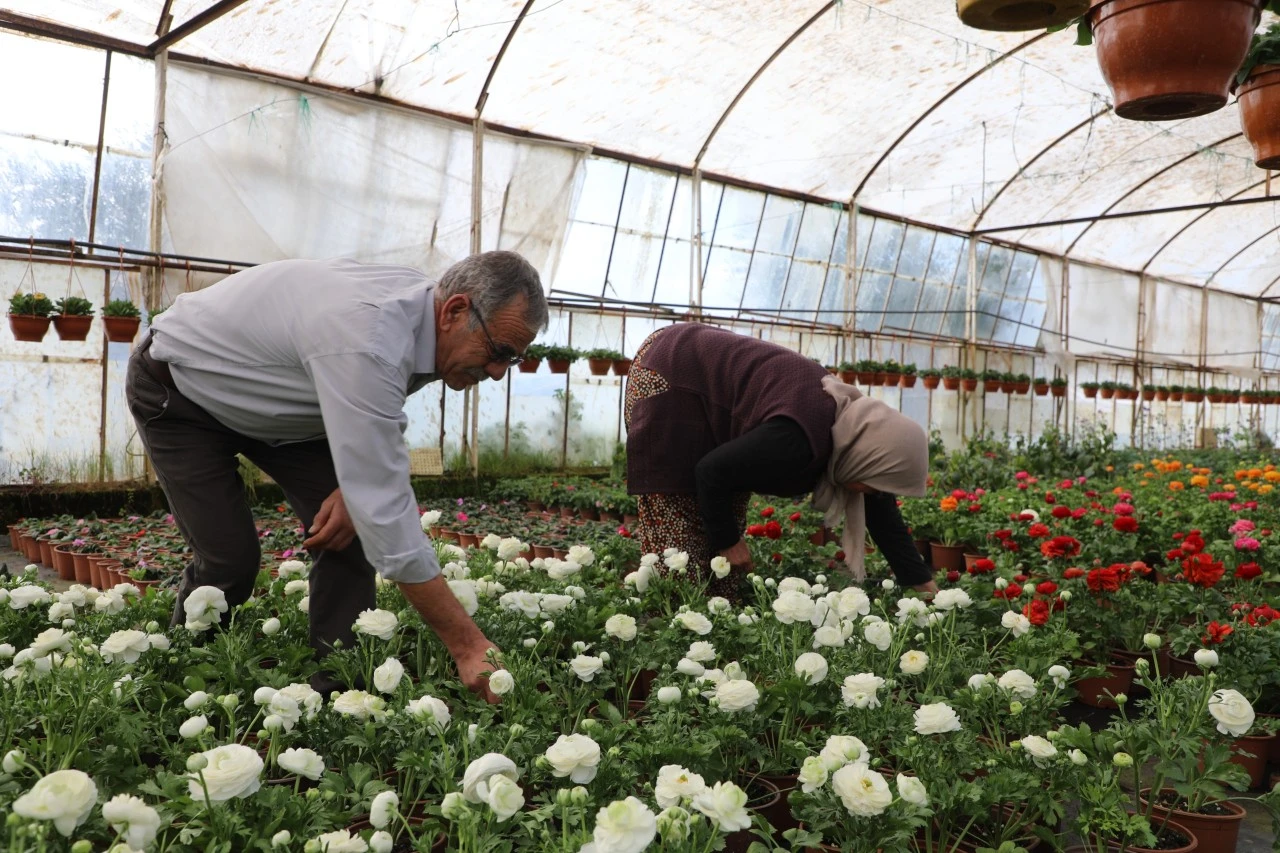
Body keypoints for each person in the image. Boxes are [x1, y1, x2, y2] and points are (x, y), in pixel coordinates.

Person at [126, 251, 547, 701]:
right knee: (230, 559)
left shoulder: (422, 318)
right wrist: (467, 645)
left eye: (514, 360)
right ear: (455, 310)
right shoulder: (368, 334)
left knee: (350, 533)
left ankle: (340, 696)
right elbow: (386, 510)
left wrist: (354, 487)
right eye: (499, 351)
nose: (499, 373)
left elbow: (373, 421)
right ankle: (175, 682)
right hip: (184, 389)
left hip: (291, 409)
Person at [624, 323, 937, 595]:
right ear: (869, 460)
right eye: (874, 485)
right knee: (682, 536)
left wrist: (923, 584)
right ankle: (673, 635)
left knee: (724, 535)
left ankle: (715, 633)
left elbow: (882, 515)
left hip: (700, 382)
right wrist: (729, 541)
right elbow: (711, 471)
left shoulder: (852, 437)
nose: (871, 493)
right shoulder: (798, 436)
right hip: (671, 375)